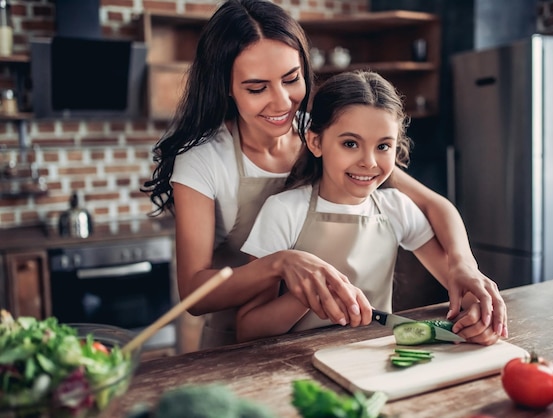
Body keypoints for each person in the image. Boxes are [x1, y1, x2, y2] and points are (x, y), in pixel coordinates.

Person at [142, 0, 507, 348]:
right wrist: (282, 264)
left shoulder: (327, 135)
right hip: (234, 345)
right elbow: (194, 292)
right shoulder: (204, 160)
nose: (282, 102)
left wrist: (463, 266)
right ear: (226, 85)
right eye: (257, 88)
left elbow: (430, 204)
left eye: (291, 79)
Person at [236, 70, 500, 344]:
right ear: (316, 142)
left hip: (375, 363)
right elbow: (248, 328)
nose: (369, 162)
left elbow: (463, 291)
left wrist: (481, 316)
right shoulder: (283, 210)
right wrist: (307, 297)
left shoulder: (396, 207)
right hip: (296, 364)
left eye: (383, 146)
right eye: (350, 144)